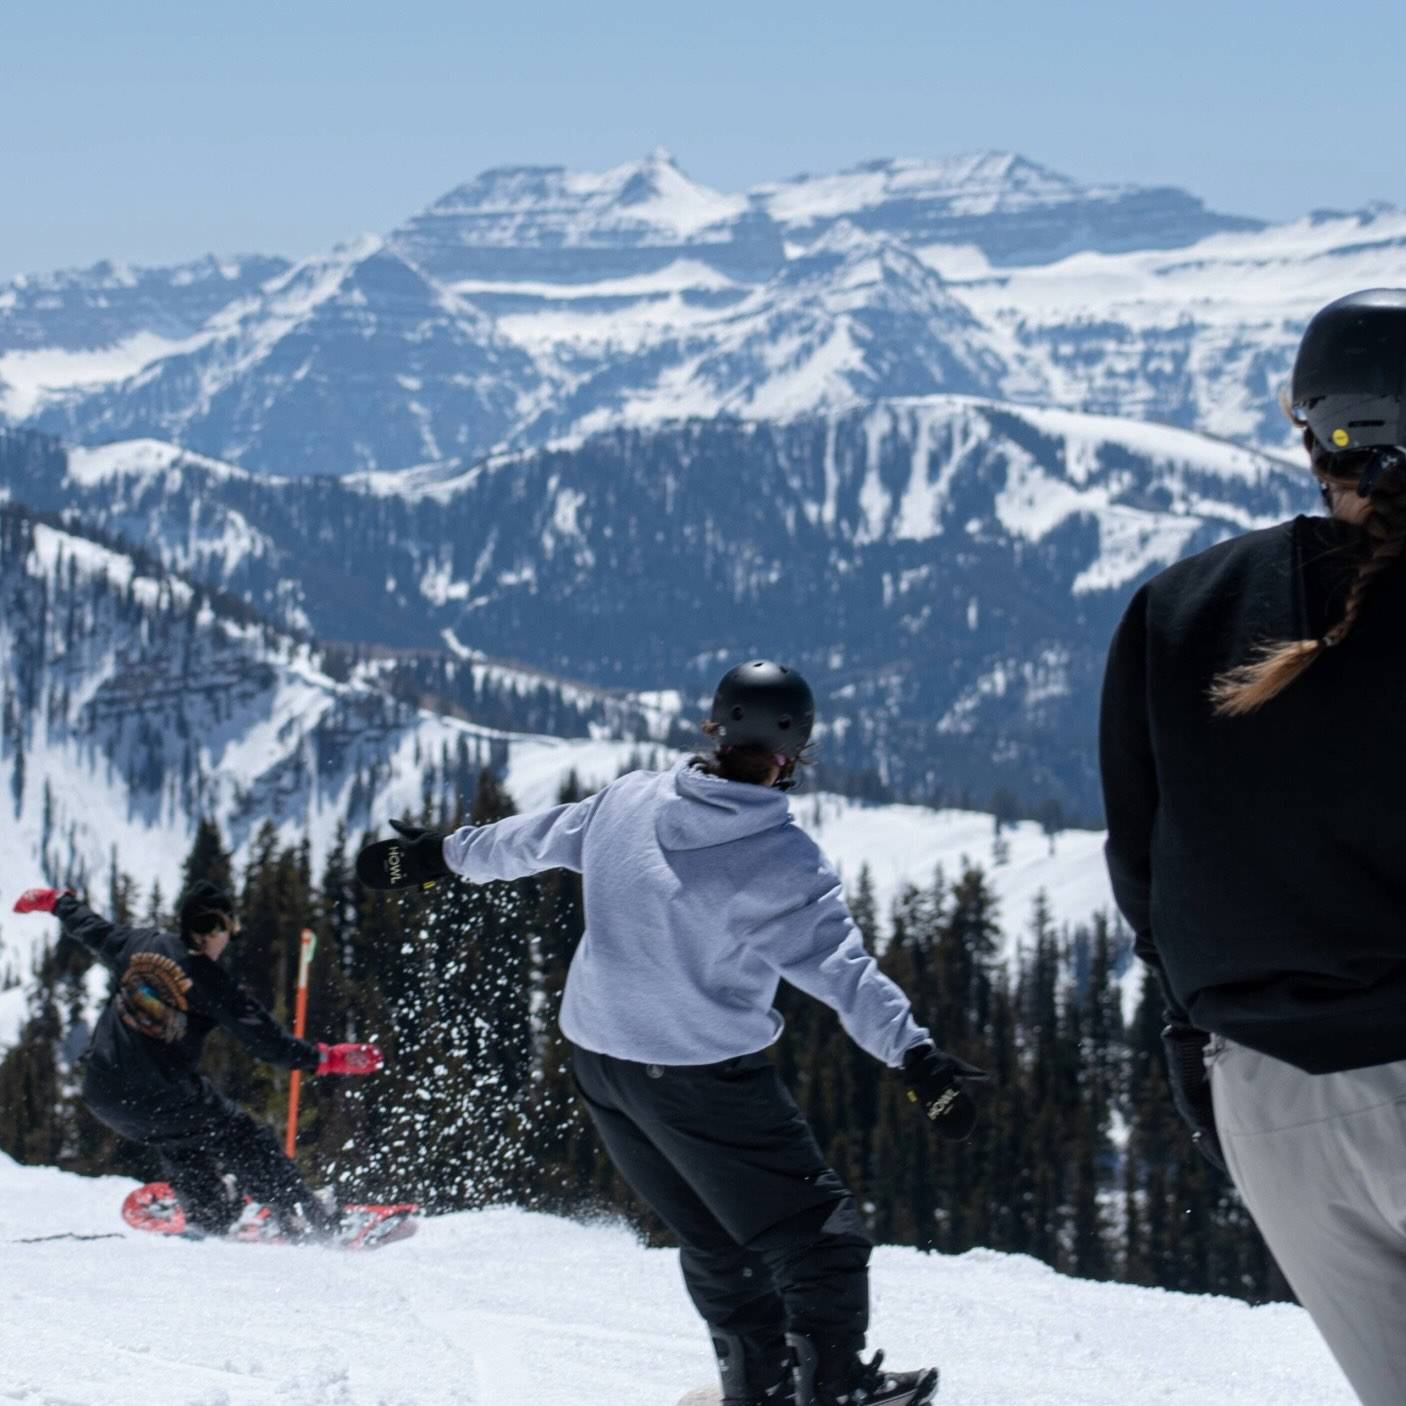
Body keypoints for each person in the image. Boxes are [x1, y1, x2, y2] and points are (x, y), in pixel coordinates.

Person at [370, 660, 987, 1406]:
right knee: (818, 1232)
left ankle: (757, 1385)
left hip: (602, 1063)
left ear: (715, 727)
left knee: (715, 1236)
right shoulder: (780, 858)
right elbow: (842, 971)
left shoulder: (629, 799)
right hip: (700, 1075)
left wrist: (435, 856)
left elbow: (526, 840)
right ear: (794, 752)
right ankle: (833, 1390)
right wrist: (915, 1056)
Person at [1099, 287, 1406, 1406]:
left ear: (1314, 432)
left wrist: (1197, 1032)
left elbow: (1143, 865)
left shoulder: (1182, 605)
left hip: (1273, 1101)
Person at [12, 878, 384, 1238]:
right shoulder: (211, 981)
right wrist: (328, 1058)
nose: (231, 937)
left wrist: (56, 902)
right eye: (230, 928)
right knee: (242, 1134)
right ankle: (306, 1214)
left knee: (181, 1136)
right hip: (160, 1097)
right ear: (216, 928)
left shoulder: (138, 943)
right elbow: (268, 1043)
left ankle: (210, 1210)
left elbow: (91, 928)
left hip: (102, 1094)